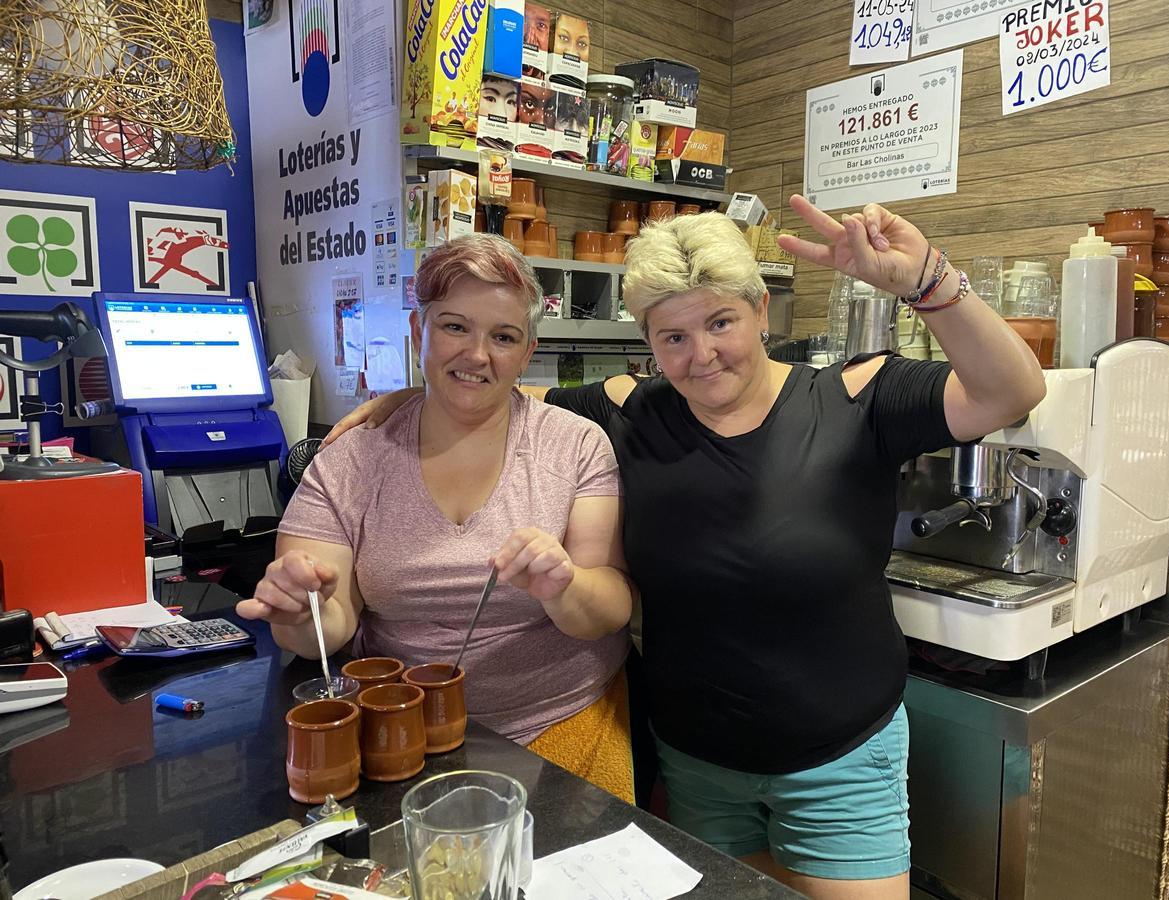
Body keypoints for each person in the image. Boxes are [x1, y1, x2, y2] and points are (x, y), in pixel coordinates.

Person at [323, 197, 1046, 899]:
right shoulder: (630, 411)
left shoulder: (858, 399)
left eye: (721, 322)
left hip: (843, 758)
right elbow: (495, 389)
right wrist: (402, 400)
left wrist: (928, 283)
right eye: (672, 337)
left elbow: (1012, 391)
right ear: (648, 341)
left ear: (762, 310)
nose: (701, 356)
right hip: (697, 766)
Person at [238, 234, 636, 801]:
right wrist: (301, 610)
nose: (477, 355)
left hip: (562, 728)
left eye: (503, 337)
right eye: (455, 327)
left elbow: (610, 607)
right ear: (419, 333)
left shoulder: (575, 446)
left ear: (526, 353)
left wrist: (563, 587)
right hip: (397, 736)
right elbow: (322, 632)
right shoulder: (351, 460)